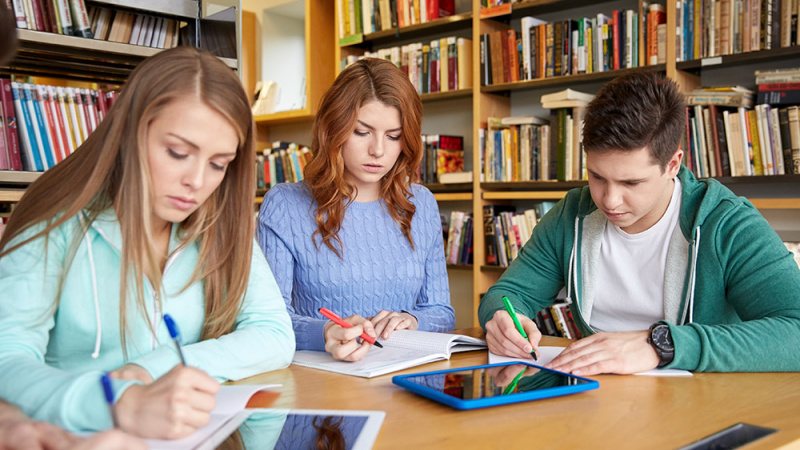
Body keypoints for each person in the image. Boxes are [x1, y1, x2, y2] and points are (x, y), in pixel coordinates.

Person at [0, 46, 295, 440]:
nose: (197, 181)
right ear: (130, 133)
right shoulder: (54, 226)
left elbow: (274, 333)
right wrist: (120, 402)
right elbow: (6, 359)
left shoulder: (222, 223)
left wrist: (150, 371)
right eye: (177, 152)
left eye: (218, 164)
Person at [479, 70, 800, 375]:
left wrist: (662, 346)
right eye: (597, 176)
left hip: (697, 406)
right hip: (592, 399)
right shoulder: (571, 214)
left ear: (673, 163)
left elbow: (795, 330)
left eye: (631, 183)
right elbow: (509, 293)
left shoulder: (726, 223)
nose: (609, 200)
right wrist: (503, 317)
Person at [256, 58, 454, 362]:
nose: (378, 150)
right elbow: (269, 322)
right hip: (323, 385)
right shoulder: (284, 205)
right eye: (362, 132)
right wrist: (324, 332)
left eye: (394, 136)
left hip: (405, 381)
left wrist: (413, 321)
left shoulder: (421, 203)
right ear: (333, 129)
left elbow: (441, 312)